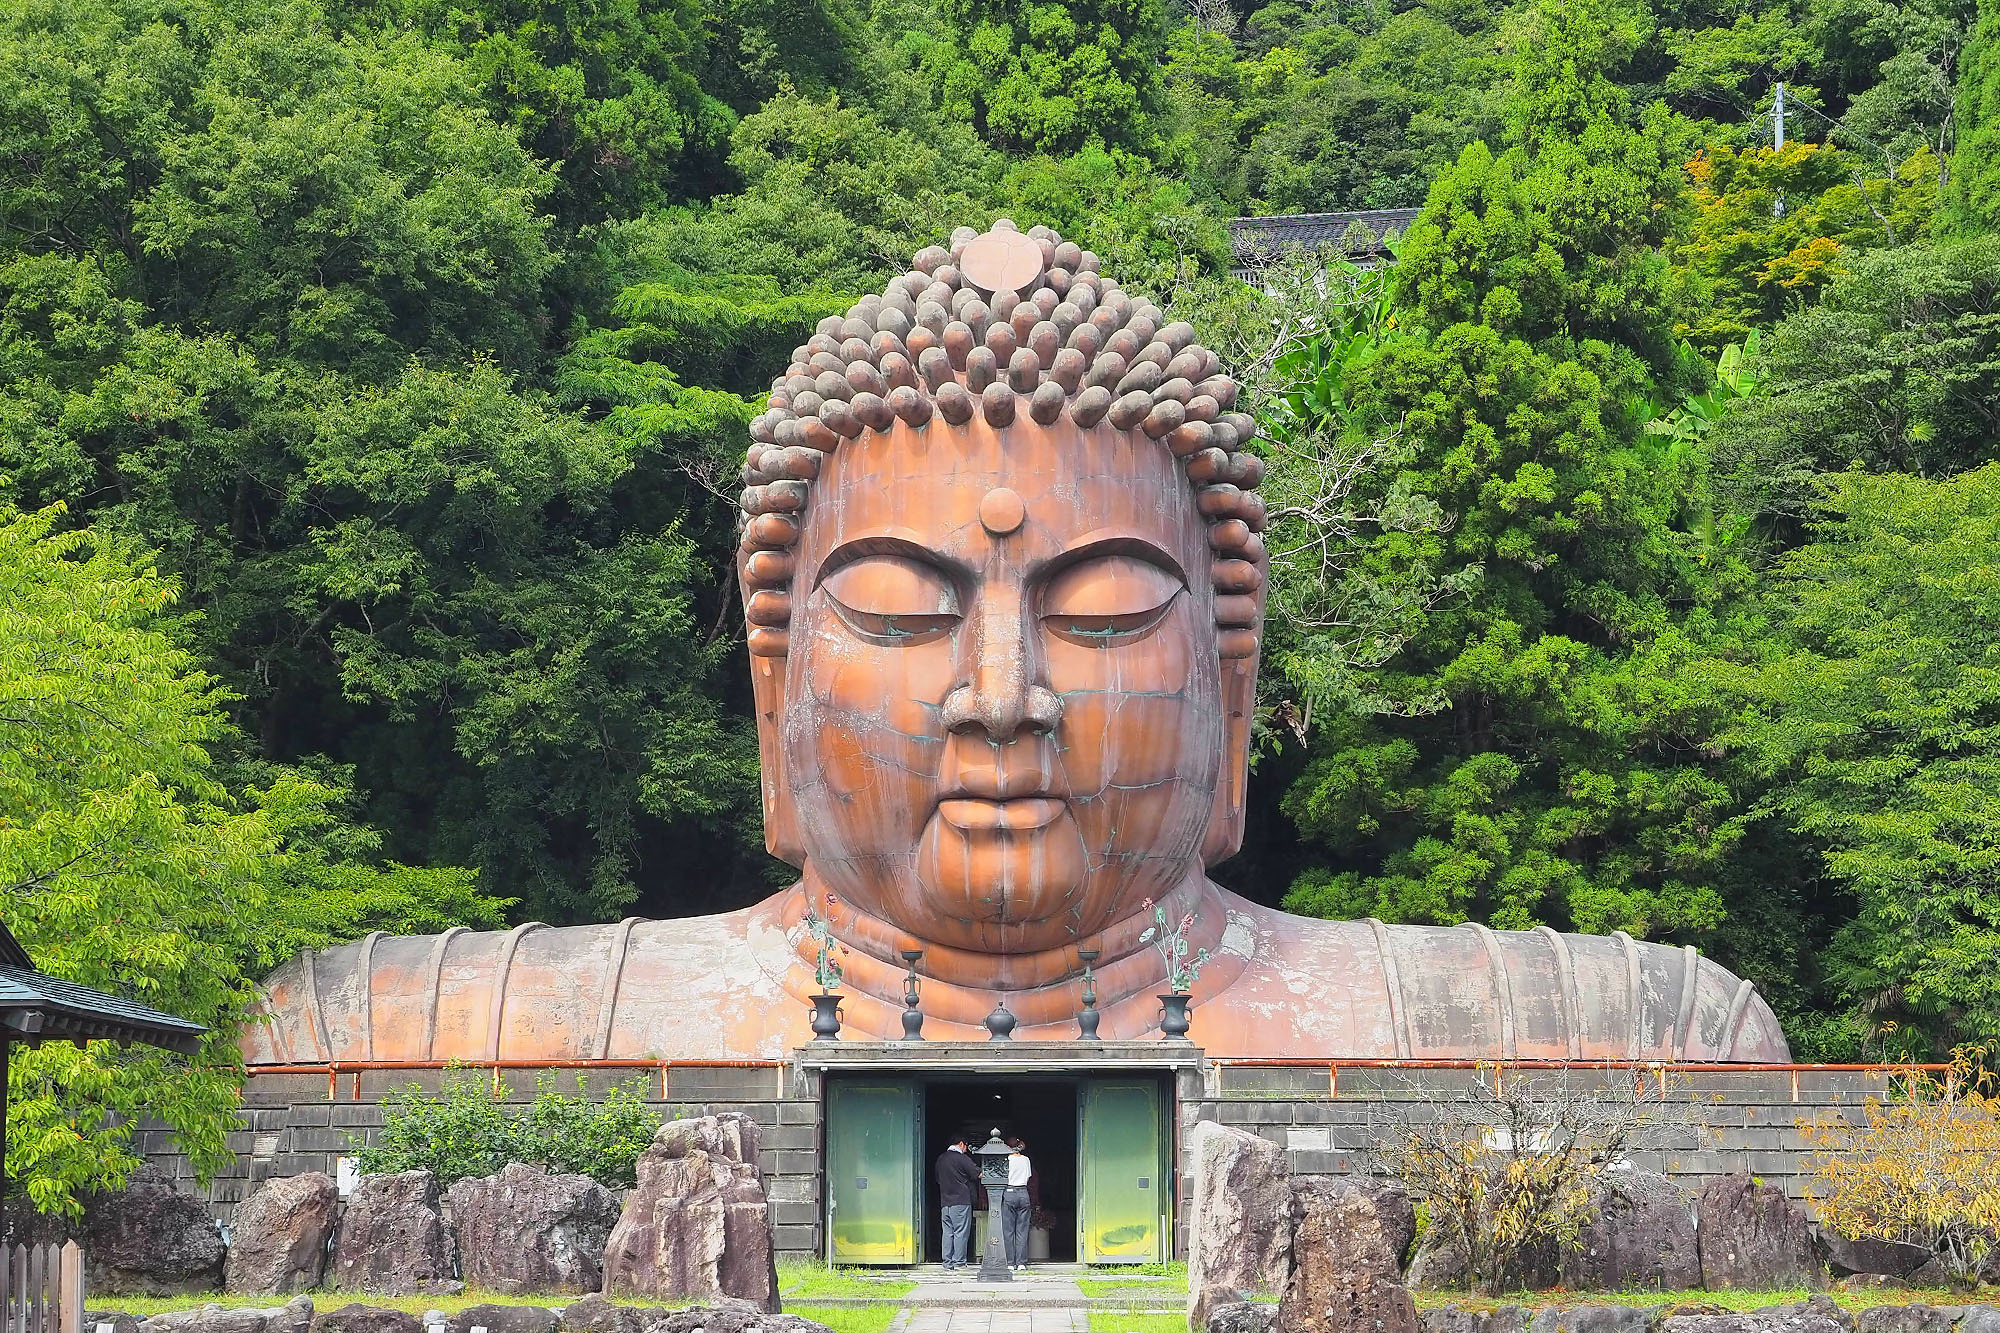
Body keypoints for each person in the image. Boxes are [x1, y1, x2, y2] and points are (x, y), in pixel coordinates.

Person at [241, 222, 1794, 1068]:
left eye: (1107, 607)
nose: (1004, 700)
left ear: (1230, 696)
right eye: (904, 609)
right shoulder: (412, 1019)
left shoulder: (1614, 1035)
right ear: (775, 692)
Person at [934, 1136, 980, 1270]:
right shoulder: (961, 1158)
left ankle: (947, 1263)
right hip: (961, 1201)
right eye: (966, 1147)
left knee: (947, 1233)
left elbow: (937, 1179)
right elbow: (978, 1174)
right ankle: (959, 1262)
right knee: (960, 1231)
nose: (966, 1150)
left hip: (945, 1202)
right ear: (961, 1144)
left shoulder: (941, 1159)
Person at [1002, 1137, 1033, 1272]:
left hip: (1009, 1191)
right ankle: (1021, 1263)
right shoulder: (1026, 1160)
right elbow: (1028, 1177)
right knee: (1022, 1230)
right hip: (1023, 1192)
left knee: (1009, 1231)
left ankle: (1010, 1262)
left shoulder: (1006, 1160)